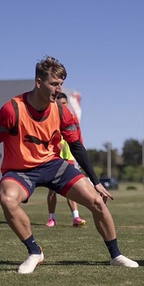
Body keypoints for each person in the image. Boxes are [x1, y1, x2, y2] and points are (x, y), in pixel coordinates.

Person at [0, 56, 139, 274]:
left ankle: (116, 255)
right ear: (39, 83)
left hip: (53, 165)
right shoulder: (12, 110)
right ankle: (35, 252)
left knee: (96, 201)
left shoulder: (62, 111)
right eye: (54, 84)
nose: (59, 89)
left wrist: (96, 182)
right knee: (7, 199)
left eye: (61, 84)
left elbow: (76, 146)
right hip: (20, 170)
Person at [45, 93, 86, 228]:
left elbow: (77, 138)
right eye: (59, 103)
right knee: (52, 190)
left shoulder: (72, 119)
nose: (62, 106)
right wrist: (55, 144)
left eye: (64, 103)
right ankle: (52, 218)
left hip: (69, 159)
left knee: (71, 188)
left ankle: (76, 217)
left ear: (67, 104)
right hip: (54, 157)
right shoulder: (50, 118)